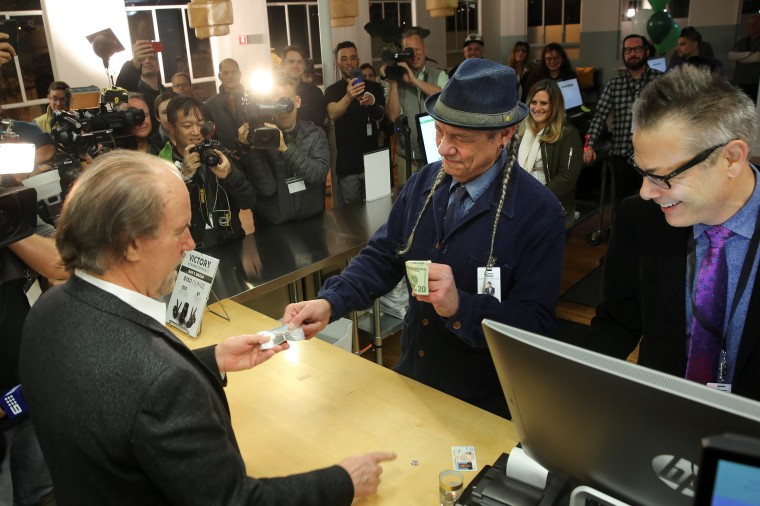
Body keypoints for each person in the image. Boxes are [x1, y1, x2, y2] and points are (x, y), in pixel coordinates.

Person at [18, 150, 396, 505]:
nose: (191, 243)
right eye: (180, 229)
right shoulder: (163, 385)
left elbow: (114, 390)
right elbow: (232, 499)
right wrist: (343, 481)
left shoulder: (47, 313)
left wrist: (209, 359)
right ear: (131, 243)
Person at [284, 59, 565, 418]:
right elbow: (384, 255)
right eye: (440, 132)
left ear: (505, 135)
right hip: (415, 377)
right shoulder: (424, 183)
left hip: (483, 403)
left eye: (461, 139)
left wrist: (461, 306)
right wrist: (329, 302)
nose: (444, 148)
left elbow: (535, 328)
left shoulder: (538, 213)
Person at [585, 65, 760, 400]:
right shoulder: (639, 218)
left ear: (732, 159)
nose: (647, 191)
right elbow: (618, 323)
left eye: (663, 176)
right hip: (662, 418)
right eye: (641, 170)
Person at [0, 119, 65, 506]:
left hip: (28, 389)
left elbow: (62, 262)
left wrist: (9, 225)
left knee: (41, 493)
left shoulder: (11, 201)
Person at [582, 34, 662, 203]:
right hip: (622, 155)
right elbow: (600, 116)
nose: (632, 54)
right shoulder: (614, 84)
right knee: (622, 203)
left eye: (637, 49)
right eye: (628, 50)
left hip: (652, 154)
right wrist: (589, 145)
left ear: (646, 51)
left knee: (652, 202)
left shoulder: (660, 81)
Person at [165, 95, 253, 249]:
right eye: (187, 126)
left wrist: (230, 175)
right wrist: (184, 178)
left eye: (200, 124)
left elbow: (248, 202)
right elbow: (164, 218)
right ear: (171, 128)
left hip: (231, 242)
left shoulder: (219, 155)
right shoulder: (164, 164)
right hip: (192, 254)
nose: (196, 132)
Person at [239, 79, 329, 226]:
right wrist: (251, 149)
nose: (281, 110)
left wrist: (284, 148)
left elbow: (317, 174)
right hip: (273, 225)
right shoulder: (262, 137)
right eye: (274, 105)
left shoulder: (314, 133)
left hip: (311, 220)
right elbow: (266, 188)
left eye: (285, 103)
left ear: (297, 102)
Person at [386, 28, 449, 188]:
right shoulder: (398, 82)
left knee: (437, 198)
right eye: (409, 50)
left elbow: (445, 97)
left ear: (425, 49)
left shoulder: (439, 75)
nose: (414, 54)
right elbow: (393, 116)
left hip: (437, 154)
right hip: (406, 156)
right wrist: (394, 81)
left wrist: (414, 81)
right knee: (408, 202)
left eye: (417, 49)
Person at [325, 41, 386, 204]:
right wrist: (349, 96)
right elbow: (333, 114)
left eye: (352, 58)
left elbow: (381, 115)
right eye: (344, 59)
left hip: (374, 160)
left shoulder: (374, 87)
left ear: (358, 60)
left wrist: (371, 103)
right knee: (352, 218)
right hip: (348, 165)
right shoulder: (332, 91)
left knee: (380, 209)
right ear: (338, 63)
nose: (349, 62)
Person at [518, 79, 583, 231]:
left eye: (544, 103)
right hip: (521, 206)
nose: (537, 108)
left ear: (554, 105)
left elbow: (567, 178)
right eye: (533, 102)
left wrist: (535, 196)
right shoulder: (521, 131)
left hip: (553, 208)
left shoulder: (568, 134)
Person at [115, 40, 166, 130]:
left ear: (158, 66)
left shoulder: (167, 93)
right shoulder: (133, 91)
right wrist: (133, 64)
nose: (147, 61)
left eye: (151, 58)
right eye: (142, 59)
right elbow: (118, 95)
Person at [204, 58, 246, 151]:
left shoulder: (252, 99)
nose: (231, 76)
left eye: (234, 72)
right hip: (226, 158)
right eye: (226, 73)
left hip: (255, 155)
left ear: (239, 74)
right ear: (220, 76)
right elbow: (210, 137)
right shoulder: (210, 105)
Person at [280, 45, 327, 128]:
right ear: (282, 65)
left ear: (304, 66)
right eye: (291, 62)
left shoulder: (315, 93)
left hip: (309, 139)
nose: (296, 66)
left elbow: (317, 125)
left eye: (300, 62)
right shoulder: (272, 92)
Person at [730, 13, 760, 103]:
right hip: (741, 80)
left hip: (755, 82)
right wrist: (748, 54)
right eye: (750, 24)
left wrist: (739, 56)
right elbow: (731, 56)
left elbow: (757, 57)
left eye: (755, 23)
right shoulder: (742, 41)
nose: (752, 26)